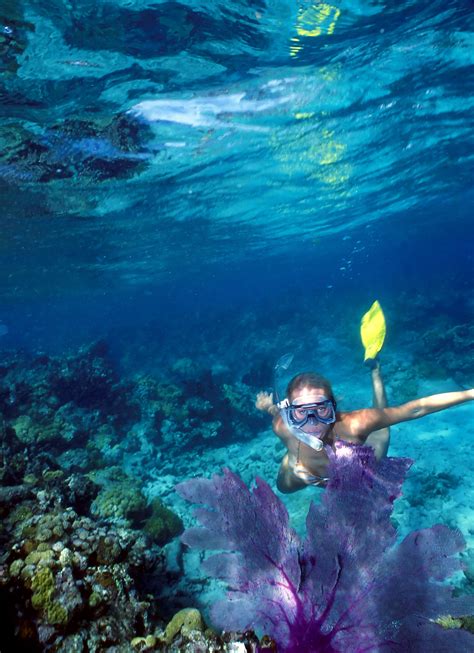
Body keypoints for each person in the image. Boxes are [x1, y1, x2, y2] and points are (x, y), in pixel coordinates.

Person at [255, 302, 474, 493]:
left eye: (321, 410)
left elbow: (417, 408)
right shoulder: (282, 426)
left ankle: (375, 369)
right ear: (290, 412)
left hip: (360, 470)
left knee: (381, 431)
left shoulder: (354, 424)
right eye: (302, 412)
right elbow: (279, 414)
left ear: (334, 407)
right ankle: (294, 462)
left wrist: (471, 393)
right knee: (284, 487)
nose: (313, 422)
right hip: (311, 475)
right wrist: (271, 410)